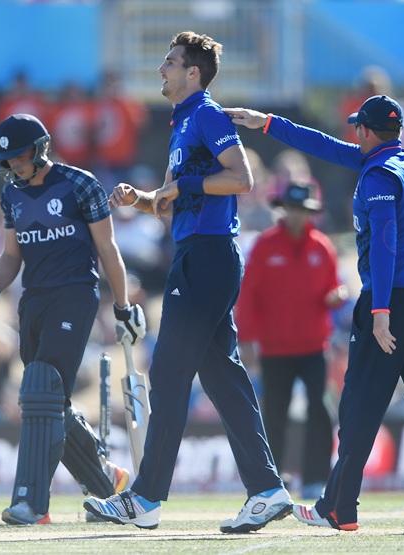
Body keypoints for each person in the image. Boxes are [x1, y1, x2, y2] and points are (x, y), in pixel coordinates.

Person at [225, 95, 404, 533]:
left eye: (356, 127)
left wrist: (380, 311)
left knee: (359, 406)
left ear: (365, 132)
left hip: (393, 301)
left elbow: (384, 243)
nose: (351, 134)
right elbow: (323, 146)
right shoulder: (402, 160)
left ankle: (340, 508)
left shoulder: (378, 174)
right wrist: (265, 122)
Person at [82, 31, 292, 533]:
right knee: (224, 378)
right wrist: (144, 199)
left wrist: (183, 186)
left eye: (170, 62)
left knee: (171, 373)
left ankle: (147, 497)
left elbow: (241, 180)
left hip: (208, 258)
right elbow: (176, 201)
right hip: (199, 256)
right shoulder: (184, 124)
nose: (162, 69)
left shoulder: (207, 116)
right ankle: (266, 489)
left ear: (192, 73)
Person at [0, 113, 147, 525]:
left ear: (40, 147)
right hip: (34, 300)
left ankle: (32, 503)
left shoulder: (79, 184)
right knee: (47, 399)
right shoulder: (11, 195)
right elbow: (12, 254)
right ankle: (107, 484)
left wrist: (122, 307)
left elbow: (108, 249)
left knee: (41, 386)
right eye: (7, 158)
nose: (14, 164)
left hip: (76, 295)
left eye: (20, 155)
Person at [236, 182, 347, 499]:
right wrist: (247, 341)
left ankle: (316, 479)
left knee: (320, 412)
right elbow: (248, 298)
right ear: (284, 210)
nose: (298, 217)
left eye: (304, 211)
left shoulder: (322, 246)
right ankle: (273, 481)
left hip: (314, 347)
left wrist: (336, 297)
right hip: (275, 348)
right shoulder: (265, 246)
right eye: (294, 210)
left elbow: (333, 289)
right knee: (275, 413)